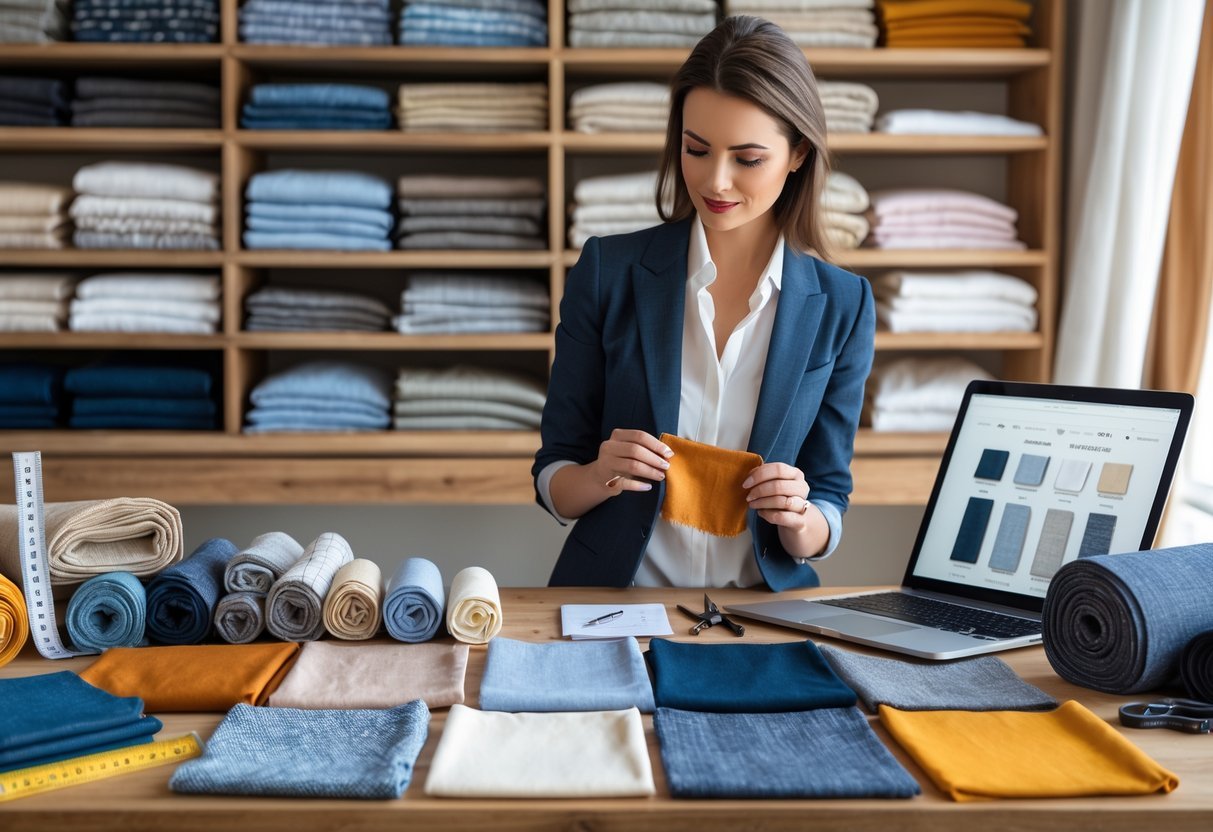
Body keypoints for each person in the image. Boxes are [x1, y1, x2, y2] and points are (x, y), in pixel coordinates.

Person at [534, 15, 875, 590]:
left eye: (747, 158)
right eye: (697, 149)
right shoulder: (606, 272)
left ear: (796, 155)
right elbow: (554, 479)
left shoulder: (844, 304)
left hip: (764, 612)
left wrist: (799, 516)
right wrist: (599, 474)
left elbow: (829, 499)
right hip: (615, 604)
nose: (716, 181)